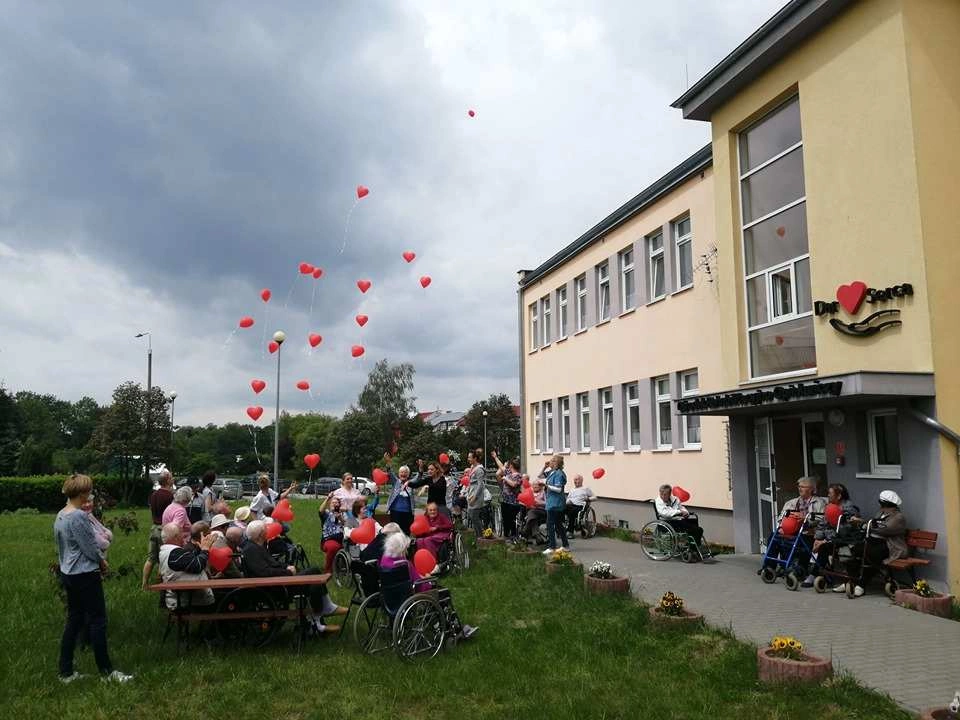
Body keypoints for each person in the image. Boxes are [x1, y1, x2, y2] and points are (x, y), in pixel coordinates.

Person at [54, 474, 132, 683]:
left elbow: (62, 546)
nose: (91, 493)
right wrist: (101, 561)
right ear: (81, 493)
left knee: (74, 620)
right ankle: (107, 672)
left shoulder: (62, 514)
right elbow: (89, 546)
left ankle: (66, 671)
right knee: (98, 620)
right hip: (84, 574)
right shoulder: (78, 516)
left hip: (69, 573)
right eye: (89, 490)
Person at [241, 520, 346, 634]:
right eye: (265, 529)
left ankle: (318, 617)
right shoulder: (251, 550)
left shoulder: (257, 546)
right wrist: (287, 572)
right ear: (261, 534)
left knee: (314, 574)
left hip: (279, 582)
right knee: (314, 576)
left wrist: (287, 566)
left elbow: (273, 564)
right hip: (276, 588)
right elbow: (265, 573)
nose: (267, 530)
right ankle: (319, 617)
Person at [379, 532, 477, 640]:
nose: (406, 551)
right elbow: (422, 586)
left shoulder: (383, 562)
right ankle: (453, 629)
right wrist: (429, 580)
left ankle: (437, 625)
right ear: (401, 549)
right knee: (443, 593)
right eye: (405, 549)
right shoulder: (404, 565)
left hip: (390, 598)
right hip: (409, 597)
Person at [839, 490, 907, 597]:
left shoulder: (898, 517)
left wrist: (863, 523)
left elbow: (884, 529)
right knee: (855, 551)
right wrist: (864, 525)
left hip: (890, 546)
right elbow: (873, 526)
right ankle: (851, 581)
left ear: (884, 503)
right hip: (875, 541)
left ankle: (861, 585)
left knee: (871, 555)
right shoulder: (881, 513)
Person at [765, 476, 825, 572]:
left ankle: (798, 569)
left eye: (803, 487)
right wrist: (781, 526)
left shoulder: (819, 503)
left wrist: (805, 518)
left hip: (808, 532)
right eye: (799, 486)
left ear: (811, 489)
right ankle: (769, 567)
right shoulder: (791, 502)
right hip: (791, 530)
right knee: (774, 536)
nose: (800, 488)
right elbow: (781, 517)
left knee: (803, 541)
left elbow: (822, 519)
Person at [806, 483, 860, 587]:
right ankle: (818, 573)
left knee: (823, 547)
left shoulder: (849, 509)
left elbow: (844, 530)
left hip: (846, 539)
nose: (828, 496)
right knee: (816, 543)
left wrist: (825, 539)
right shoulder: (830, 507)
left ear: (839, 496)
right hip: (833, 538)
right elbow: (823, 523)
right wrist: (818, 538)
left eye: (830, 493)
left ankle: (814, 574)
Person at [157, 522, 217, 611]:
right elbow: (198, 566)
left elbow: (190, 563)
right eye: (182, 534)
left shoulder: (168, 552)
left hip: (184, 598)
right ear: (176, 536)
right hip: (189, 601)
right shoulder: (175, 553)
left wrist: (201, 549)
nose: (184, 538)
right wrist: (205, 549)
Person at [142, 470, 175, 589]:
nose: (173, 479)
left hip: (154, 528)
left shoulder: (153, 494)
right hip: (164, 529)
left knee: (151, 558)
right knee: (163, 557)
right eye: (171, 478)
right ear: (167, 480)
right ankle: (161, 584)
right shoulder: (169, 496)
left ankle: (144, 584)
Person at [539, 454, 570, 556]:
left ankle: (552, 546)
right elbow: (540, 476)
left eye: (552, 461)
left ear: (556, 463)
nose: (550, 462)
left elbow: (559, 489)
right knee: (558, 525)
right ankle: (565, 546)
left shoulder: (559, 474)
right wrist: (544, 467)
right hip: (551, 502)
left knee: (550, 524)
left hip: (555, 503)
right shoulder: (551, 472)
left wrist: (546, 485)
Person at [491, 452, 522, 539]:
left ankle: (513, 537)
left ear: (512, 465)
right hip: (505, 501)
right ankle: (506, 536)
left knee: (511, 520)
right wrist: (495, 457)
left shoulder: (518, 476)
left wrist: (505, 478)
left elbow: (514, 485)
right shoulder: (508, 472)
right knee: (505, 520)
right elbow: (501, 466)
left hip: (513, 502)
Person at [385, 455, 415, 534]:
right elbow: (390, 472)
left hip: (408, 513)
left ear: (408, 475)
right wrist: (388, 462)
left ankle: (405, 546)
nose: (403, 473)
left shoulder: (411, 483)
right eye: (401, 472)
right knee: (395, 532)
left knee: (406, 532)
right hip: (395, 512)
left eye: (405, 472)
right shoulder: (396, 482)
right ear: (399, 474)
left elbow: (418, 477)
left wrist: (421, 470)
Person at [318, 494, 346, 573]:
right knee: (333, 547)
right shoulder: (326, 514)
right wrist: (328, 498)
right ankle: (328, 570)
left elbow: (348, 525)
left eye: (336, 502)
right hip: (330, 539)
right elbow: (320, 511)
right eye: (333, 502)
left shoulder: (343, 514)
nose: (334, 504)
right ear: (329, 505)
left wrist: (340, 518)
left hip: (344, 538)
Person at [464, 450, 487, 536]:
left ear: (475, 458)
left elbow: (480, 485)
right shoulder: (472, 467)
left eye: (470, 457)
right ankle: (478, 535)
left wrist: (474, 497)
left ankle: (481, 535)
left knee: (474, 516)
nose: (468, 459)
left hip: (476, 495)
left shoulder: (479, 470)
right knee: (471, 515)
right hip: (471, 493)